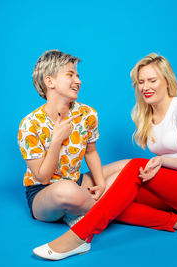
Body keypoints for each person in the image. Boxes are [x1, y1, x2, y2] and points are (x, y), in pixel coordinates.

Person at [32, 53, 177, 260]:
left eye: (152, 80)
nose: (145, 86)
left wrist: (161, 161)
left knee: (135, 167)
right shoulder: (148, 116)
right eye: (141, 82)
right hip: (173, 190)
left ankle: (80, 237)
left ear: (167, 81)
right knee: (113, 198)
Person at [17, 50, 128, 226]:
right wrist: (56, 140)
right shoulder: (29, 125)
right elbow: (43, 178)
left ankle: (83, 208)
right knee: (66, 190)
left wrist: (101, 185)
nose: (78, 81)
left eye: (77, 75)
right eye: (70, 75)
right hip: (44, 193)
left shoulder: (87, 114)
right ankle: (112, 207)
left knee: (131, 167)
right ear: (49, 81)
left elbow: (91, 153)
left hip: (78, 182)